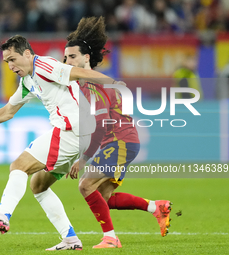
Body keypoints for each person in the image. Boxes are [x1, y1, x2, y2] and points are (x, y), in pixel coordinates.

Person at [0, 34, 124, 250]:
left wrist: (112, 84)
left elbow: (79, 72)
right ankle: (70, 239)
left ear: (27, 53)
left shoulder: (44, 66)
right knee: (38, 185)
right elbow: (7, 112)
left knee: (19, 166)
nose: (10, 65)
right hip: (77, 134)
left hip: (71, 129)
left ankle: (3, 215)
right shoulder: (27, 81)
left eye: (13, 59)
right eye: (7, 62)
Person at [64, 16, 172, 248]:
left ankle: (111, 238)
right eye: (65, 58)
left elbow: (102, 123)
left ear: (86, 57)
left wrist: (83, 159)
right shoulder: (88, 83)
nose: (67, 61)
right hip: (121, 142)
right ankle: (157, 207)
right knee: (103, 197)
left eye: (72, 56)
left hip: (119, 142)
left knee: (85, 185)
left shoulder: (91, 84)